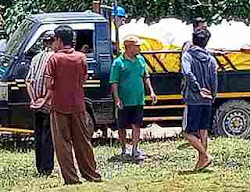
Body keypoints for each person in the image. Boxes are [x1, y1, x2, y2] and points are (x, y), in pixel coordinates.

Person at [45, 25, 101, 185]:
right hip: (78, 105)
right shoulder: (81, 57)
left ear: (59, 40)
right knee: (83, 141)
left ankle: (71, 178)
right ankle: (91, 174)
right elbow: (83, 80)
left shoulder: (54, 59)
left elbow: (49, 84)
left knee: (62, 144)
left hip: (58, 106)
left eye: (54, 40)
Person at [110, 35, 157, 160]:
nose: (139, 48)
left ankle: (135, 149)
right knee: (122, 126)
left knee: (137, 124)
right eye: (137, 46)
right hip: (124, 101)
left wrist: (151, 91)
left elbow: (145, 76)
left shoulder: (140, 60)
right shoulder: (118, 63)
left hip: (138, 100)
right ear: (128, 47)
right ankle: (124, 148)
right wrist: (117, 99)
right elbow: (114, 82)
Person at [181, 28, 217, 171]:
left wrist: (197, 88)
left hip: (194, 99)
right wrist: (212, 95)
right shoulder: (211, 59)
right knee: (203, 130)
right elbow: (214, 79)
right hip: (207, 100)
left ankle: (205, 155)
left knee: (188, 132)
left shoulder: (187, 56)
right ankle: (201, 162)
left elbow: (186, 72)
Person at [25, 31, 55, 176]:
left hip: (36, 103)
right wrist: (45, 99)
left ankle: (40, 167)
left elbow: (28, 81)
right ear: (54, 41)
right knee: (48, 136)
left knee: (38, 135)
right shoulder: (54, 58)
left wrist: (33, 99)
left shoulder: (36, 58)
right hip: (48, 103)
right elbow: (52, 83)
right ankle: (47, 168)